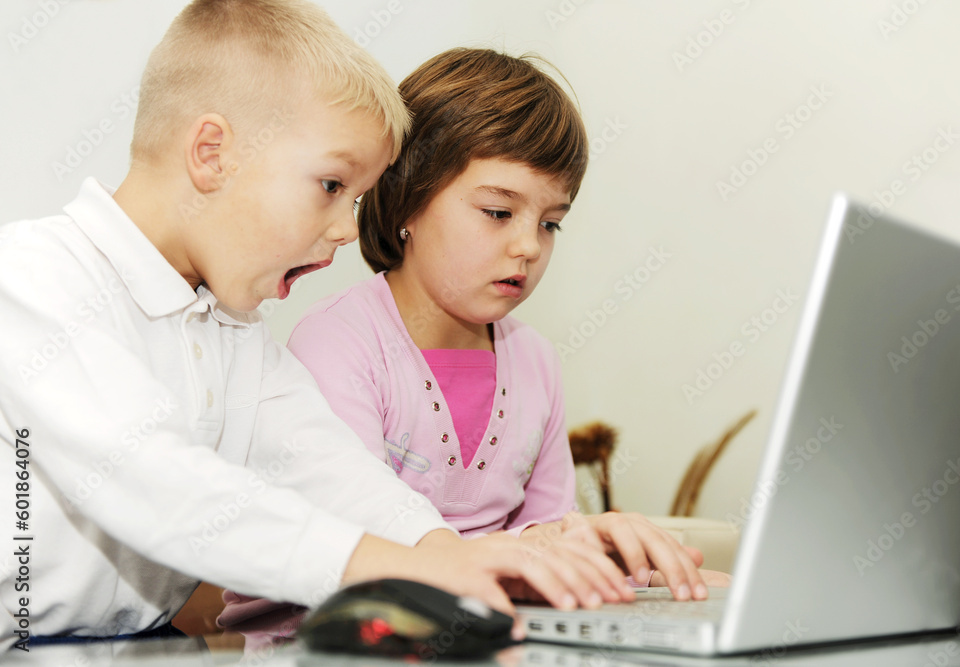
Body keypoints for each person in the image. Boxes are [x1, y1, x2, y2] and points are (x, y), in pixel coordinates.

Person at [0, 2, 633, 651]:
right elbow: (160, 484)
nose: (347, 228)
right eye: (331, 185)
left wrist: (444, 552)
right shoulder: (30, 278)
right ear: (212, 154)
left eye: (354, 199)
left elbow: (331, 467)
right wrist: (410, 567)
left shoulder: (233, 329)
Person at [285, 48, 719, 596]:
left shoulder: (536, 360)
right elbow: (357, 538)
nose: (528, 246)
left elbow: (548, 539)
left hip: (486, 619)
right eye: (498, 212)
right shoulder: (337, 343)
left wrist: (633, 572)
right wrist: (536, 554)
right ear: (408, 200)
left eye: (550, 224)